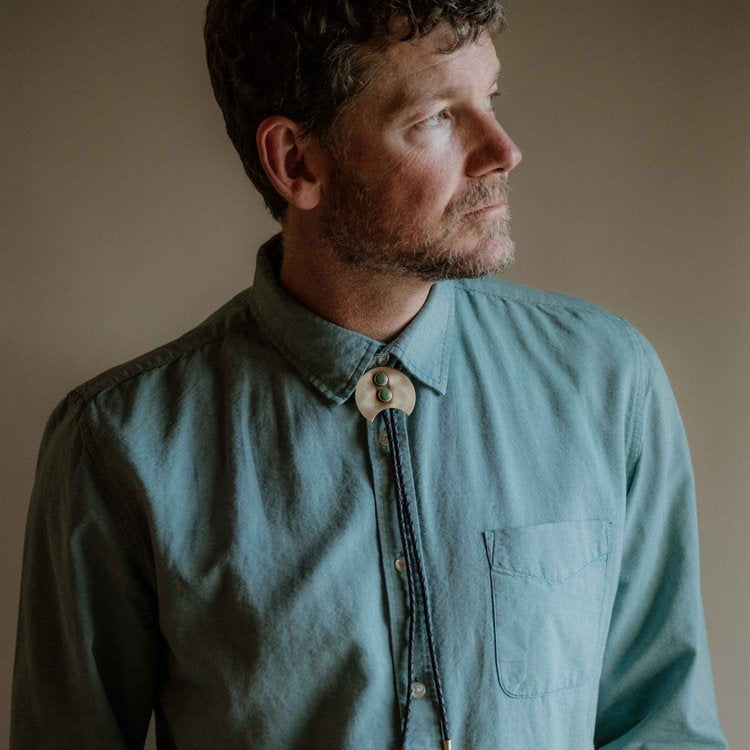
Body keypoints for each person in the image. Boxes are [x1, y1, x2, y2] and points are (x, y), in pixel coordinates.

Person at [11, 1, 728, 748]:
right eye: (437, 117)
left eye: (490, 99)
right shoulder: (116, 446)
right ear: (297, 162)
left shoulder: (606, 383)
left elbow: (661, 728)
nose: (504, 151)